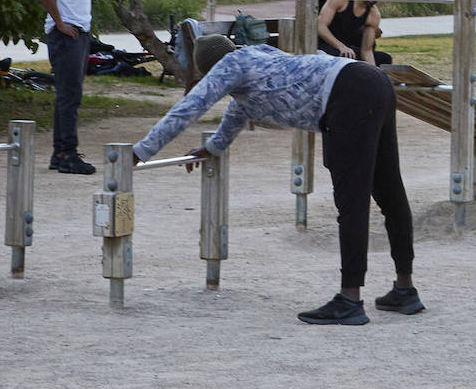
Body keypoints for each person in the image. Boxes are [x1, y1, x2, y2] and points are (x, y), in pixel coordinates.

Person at [132, 35, 423, 325]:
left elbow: (189, 108)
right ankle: (404, 289)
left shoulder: (229, 65)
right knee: (389, 191)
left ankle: (350, 299)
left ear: (211, 69)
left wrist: (139, 152)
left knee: (352, 202)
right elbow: (236, 113)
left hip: (346, 94)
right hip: (373, 80)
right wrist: (213, 147)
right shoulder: (256, 58)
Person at [37, 0, 105, 175]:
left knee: (68, 94)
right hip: (67, 36)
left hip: (78, 34)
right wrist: (61, 23)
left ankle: (59, 153)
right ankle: (67, 154)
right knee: (70, 95)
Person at [317, 0, 392, 66]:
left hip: (348, 50)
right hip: (326, 45)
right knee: (346, 57)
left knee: (384, 58)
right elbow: (320, 26)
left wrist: (374, 72)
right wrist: (341, 46)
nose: (374, 0)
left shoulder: (373, 14)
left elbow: (366, 50)